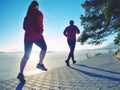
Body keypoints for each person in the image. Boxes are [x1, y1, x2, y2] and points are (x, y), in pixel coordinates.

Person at [17, 0, 47, 82]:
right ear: (37, 6)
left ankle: (21, 73)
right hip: (36, 35)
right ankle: (40, 64)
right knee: (44, 48)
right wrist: (41, 31)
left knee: (26, 55)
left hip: (27, 37)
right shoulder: (38, 13)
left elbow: (24, 27)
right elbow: (40, 24)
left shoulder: (26, 16)